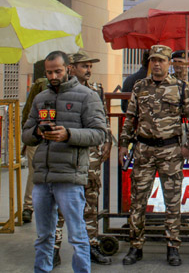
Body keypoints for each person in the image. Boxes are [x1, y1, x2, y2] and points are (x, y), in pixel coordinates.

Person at [21, 51, 108, 273]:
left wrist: (68, 134)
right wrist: (38, 132)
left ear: (68, 68)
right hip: (43, 176)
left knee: (78, 237)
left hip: (70, 176)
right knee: (43, 237)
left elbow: (99, 133)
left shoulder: (88, 96)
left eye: (57, 71)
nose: (53, 76)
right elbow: (25, 133)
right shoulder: (41, 98)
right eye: (49, 72)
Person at [118, 45, 189, 267]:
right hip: (144, 151)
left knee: (172, 202)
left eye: (161, 60)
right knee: (138, 201)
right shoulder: (139, 87)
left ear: (168, 63)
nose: (156, 64)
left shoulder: (181, 87)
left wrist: (187, 146)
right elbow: (130, 118)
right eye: (153, 60)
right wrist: (123, 145)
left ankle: (173, 247)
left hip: (170, 152)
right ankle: (135, 247)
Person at [68, 50, 113, 264]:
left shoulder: (96, 89)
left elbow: (103, 119)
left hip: (92, 154)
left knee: (91, 199)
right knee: (61, 203)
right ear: (71, 67)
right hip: (67, 153)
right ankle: (54, 248)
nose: (88, 70)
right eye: (84, 66)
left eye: (90, 66)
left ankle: (90, 245)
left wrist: (108, 141)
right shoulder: (60, 90)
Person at [21, 76, 50, 224]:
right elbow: (28, 111)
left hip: (60, 136)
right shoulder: (41, 84)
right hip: (38, 134)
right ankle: (28, 206)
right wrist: (28, 134)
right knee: (35, 170)